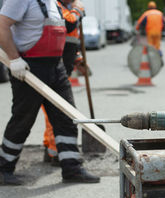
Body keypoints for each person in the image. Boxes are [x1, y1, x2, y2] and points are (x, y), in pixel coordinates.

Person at [0, 0, 100, 185]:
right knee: (23, 120)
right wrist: (14, 60)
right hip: (30, 68)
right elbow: (2, 25)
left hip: (56, 67)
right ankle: (4, 168)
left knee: (66, 118)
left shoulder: (53, 2)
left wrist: (75, 57)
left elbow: (62, 32)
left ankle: (72, 168)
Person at [42, 0, 85, 164]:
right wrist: (78, 11)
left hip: (64, 65)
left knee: (54, 111)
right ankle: (56, 152)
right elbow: (69, 25)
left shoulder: (66, 7)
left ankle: (50, 148)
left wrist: (77, 56)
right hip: (54, 67)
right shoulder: (56, 6)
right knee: (57, 111)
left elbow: (73, 37)